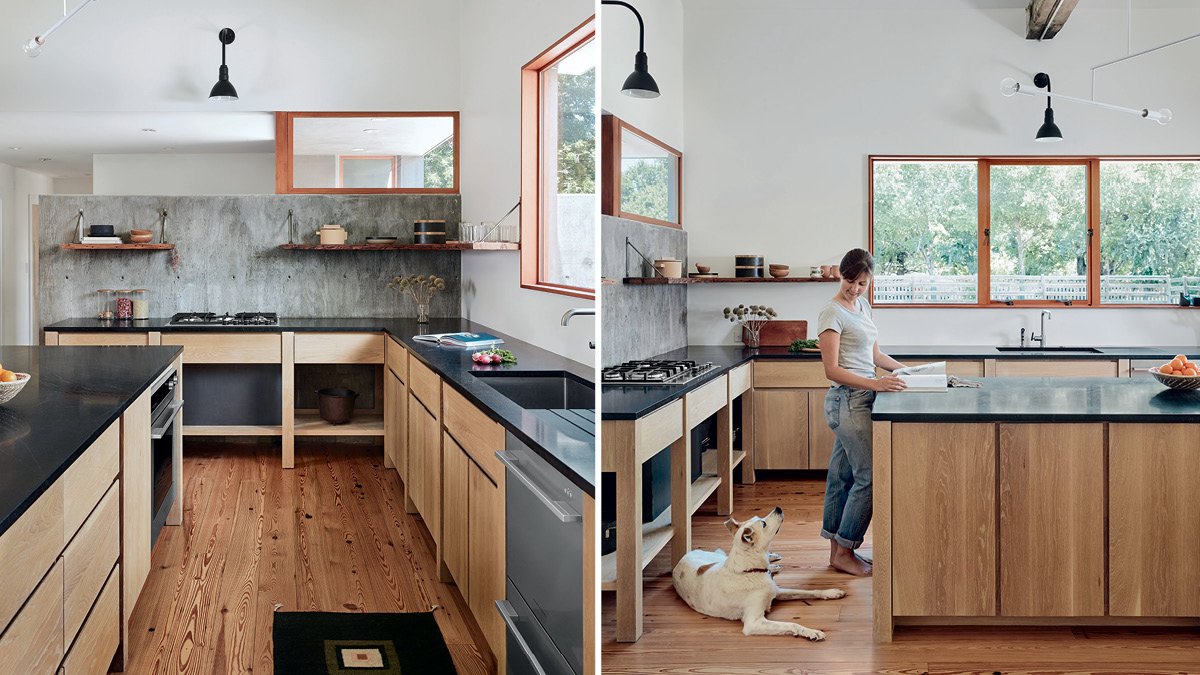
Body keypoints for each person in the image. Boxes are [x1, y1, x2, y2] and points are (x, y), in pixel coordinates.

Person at [816, 248, 906, 576]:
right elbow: (832, 370)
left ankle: (837, 552)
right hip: (847, 401)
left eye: (862, 283)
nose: (855, 288)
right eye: (850, 281)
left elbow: (876, 355)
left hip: (862, 399)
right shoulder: (832, 313)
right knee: (869, 476)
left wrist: (906, 372)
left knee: (841, 479)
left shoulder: (863, 306)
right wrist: (876, 385)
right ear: (840, 275)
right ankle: (846, 548)